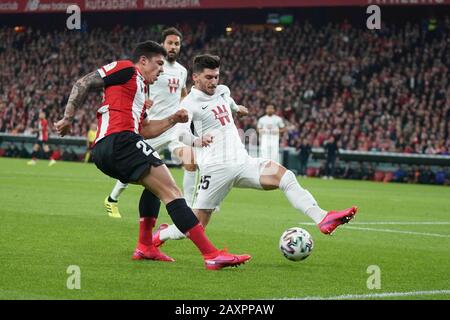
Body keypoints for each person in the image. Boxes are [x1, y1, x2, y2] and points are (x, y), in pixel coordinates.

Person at [54, 41, 250, 270]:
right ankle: (211, 255)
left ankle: (145, 246)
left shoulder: (140, 89)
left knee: (154, 188)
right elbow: (84, 82)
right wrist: (68, 117)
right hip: (119, 141)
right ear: (143, 61)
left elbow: (145, 129)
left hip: (107, 150)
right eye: (158, 64)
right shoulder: (127, 68)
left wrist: (173, 120)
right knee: (172, 191)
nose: (161, 70)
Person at [152, 54, 357, 247]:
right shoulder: (189, 103)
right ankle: (161, 234)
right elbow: (180, 134)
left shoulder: (223, 90)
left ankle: (322, 218)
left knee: (284, 176)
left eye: (216, 76)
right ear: (195, 77)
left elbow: (230, 105)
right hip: (216, 169)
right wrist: (197, 140)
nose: (213, 81)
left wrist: (238, 109)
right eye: (208, 77)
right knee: (196, 226)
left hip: (242, 162)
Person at [104, 27, 197, 219]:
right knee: (133, 169)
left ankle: (189, 206)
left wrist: (185, 107)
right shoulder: (155, 66)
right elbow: (140, 85)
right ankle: (112, 198)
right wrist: (144, 101)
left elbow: (182, 93)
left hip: (171, 128)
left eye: (176, 44)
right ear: (162, 44)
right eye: (170, 43)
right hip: (152, 126)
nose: (173, 47)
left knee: (190, 161)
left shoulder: (182, 71)